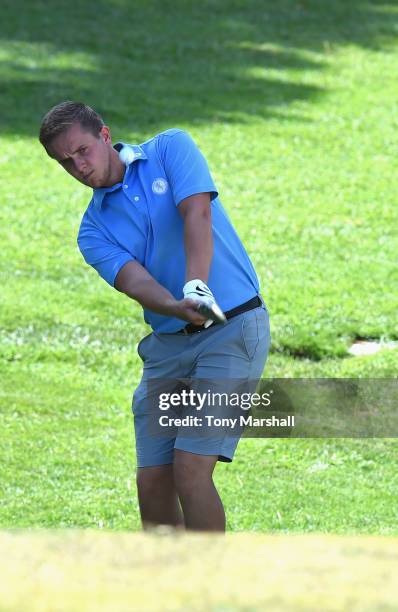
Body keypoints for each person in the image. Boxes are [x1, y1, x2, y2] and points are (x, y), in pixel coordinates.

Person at [39, 101, 271, 532]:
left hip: (232, 328)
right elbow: (135, 282)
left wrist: (196, 288)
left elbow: (196, 213)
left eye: (83, 151)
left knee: (189, 470)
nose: (78, 167)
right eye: (65, 162)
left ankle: (211, 589)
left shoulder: (170, 149)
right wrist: (175, 305)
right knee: (154, 482)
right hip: (167, 346)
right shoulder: (93, 230)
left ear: (105, 135)